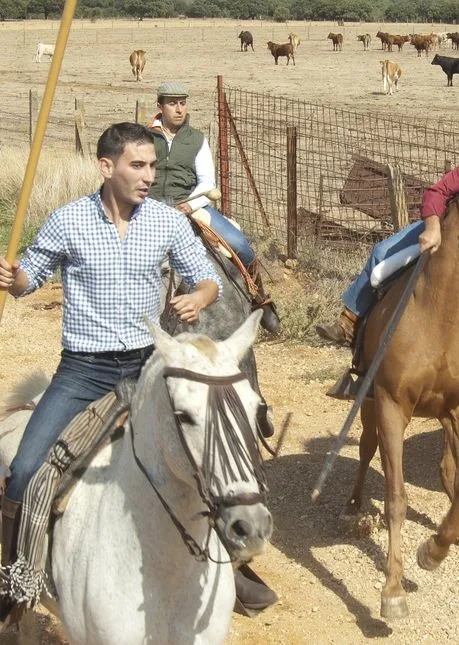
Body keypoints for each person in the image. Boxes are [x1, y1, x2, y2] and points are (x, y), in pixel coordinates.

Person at [0, 123, 222, 620]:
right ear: (106, 167)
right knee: (24, 472)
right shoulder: (67, 221)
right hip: (83, 373)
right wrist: (10, 276)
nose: (149, 176)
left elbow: (206, 278)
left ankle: (233, 567)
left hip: (147, 367)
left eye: (152, 167)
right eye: (137, 166)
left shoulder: (166, 221)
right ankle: (17, 578)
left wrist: (200, 296)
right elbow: (26, 281)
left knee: (210, 453)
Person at [316, 151, 459, 387]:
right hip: (446, 227)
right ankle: (349, 323)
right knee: (381, 253)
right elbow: (438, 191)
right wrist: (432, 226)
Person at [147, 81, 281, 335]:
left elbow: (207, 182)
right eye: (172, 104)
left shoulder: (196, 139)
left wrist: (189, 204)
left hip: (191, 204)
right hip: (150, 209)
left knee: (238, 243)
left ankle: (258, 299)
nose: (179, 109)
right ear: (160, 106)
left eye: (182, 103)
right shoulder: (144, 137)